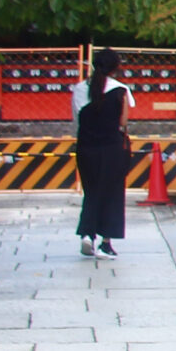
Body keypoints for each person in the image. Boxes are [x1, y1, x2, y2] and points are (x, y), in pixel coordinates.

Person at [71, 47, 132, 258]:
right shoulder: (120, 90)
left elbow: (77, 118)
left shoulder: (79, 89)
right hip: (112, 149)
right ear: (116, 67)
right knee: (112, 193)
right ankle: (106, 243)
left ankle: (87, 234)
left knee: (92, 191)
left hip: (86, 147)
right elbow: (123, 122)